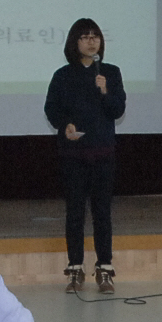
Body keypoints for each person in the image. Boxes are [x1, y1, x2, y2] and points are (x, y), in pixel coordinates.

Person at [44, 17, 126, 295]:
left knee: (102, 213)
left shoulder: (111, 73)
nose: (91, 41)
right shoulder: (63, 75)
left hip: (103, 153)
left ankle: (104, 269)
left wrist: (104, 90)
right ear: (74, 43)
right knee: (75, 213)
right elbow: (52, 110)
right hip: (74, 154)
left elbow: (117, 110)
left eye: (95, 36)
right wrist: (64, 125)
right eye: (85, 37)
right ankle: (75, 268)